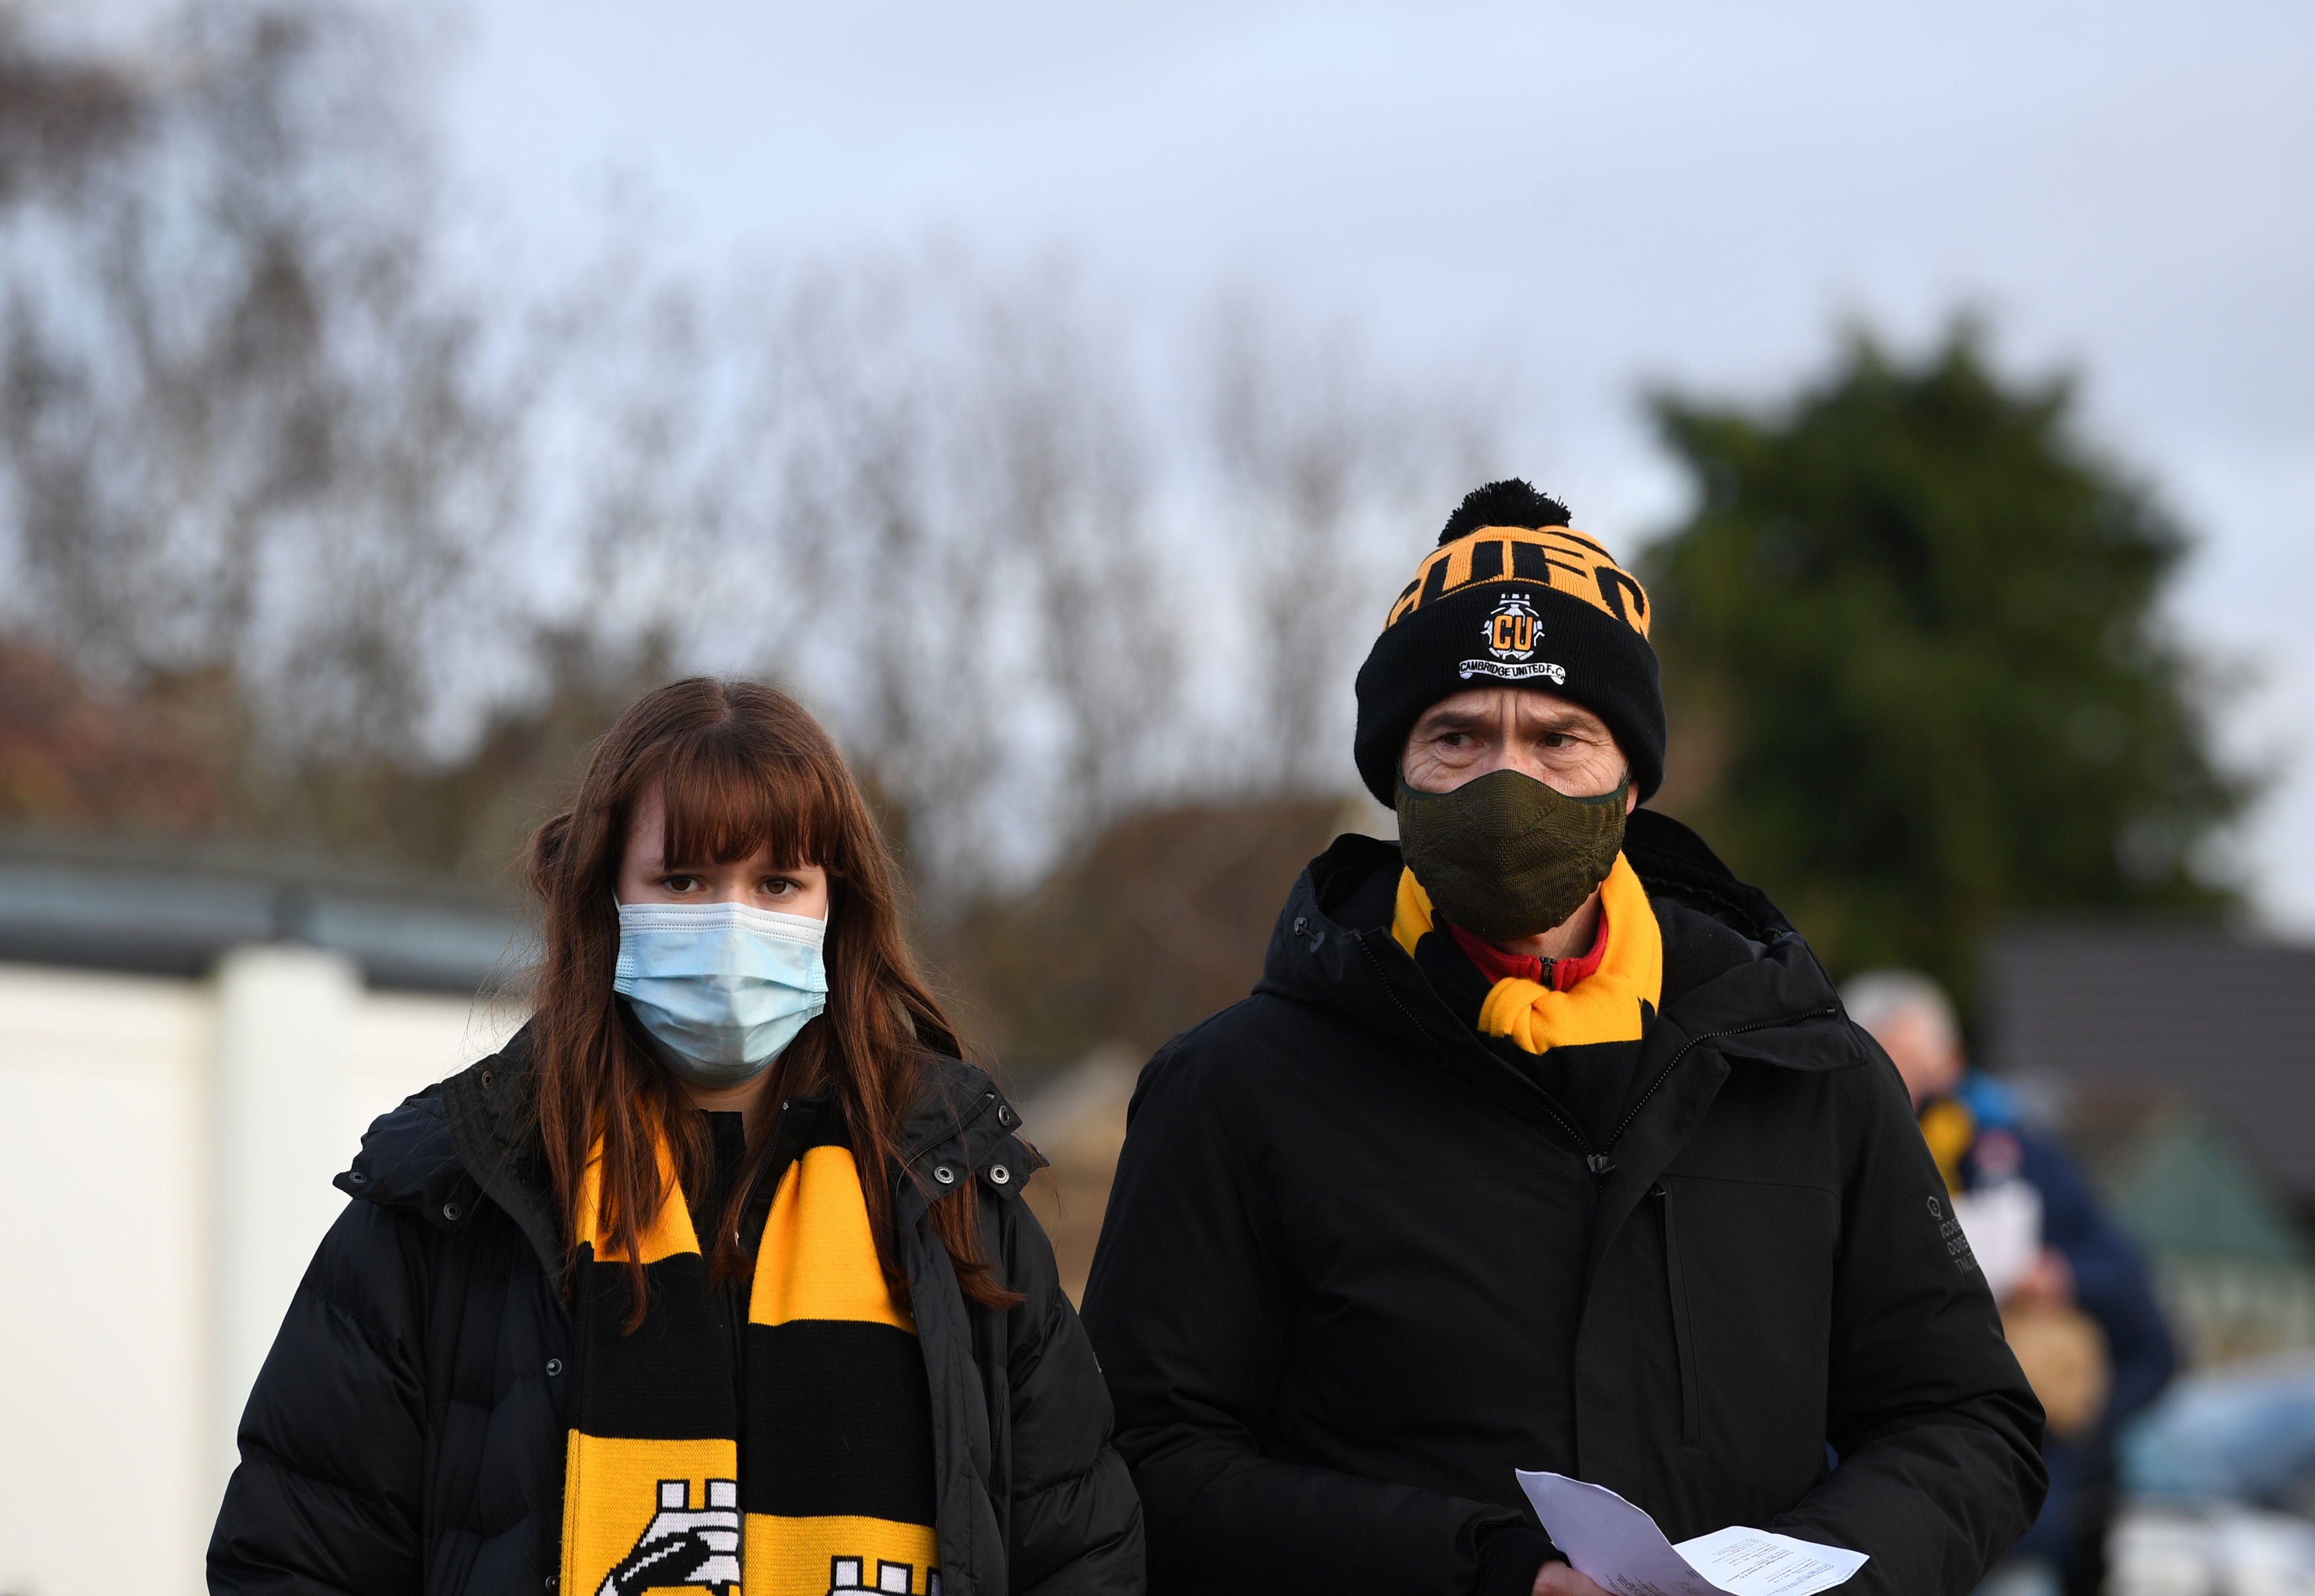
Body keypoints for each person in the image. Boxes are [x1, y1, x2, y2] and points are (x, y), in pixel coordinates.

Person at [1079, 481, 2047, 1596]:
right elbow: (1144, 1462)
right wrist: (1480, 1568)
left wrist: (1816, 1579)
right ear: (1393, 773)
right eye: (1456, 736)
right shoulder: (1233, 1088)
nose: (1508, 781)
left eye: (1558, 736)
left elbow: (1968, 1420)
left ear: (1632, 778)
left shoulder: (1807, 1073)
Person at [208, 678, 1144, 1596]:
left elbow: (1085, 1551)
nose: (733, 923)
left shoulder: (949, 1198)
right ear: (608, 897)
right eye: (684, 879)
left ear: (837, 909)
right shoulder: (458, 1195)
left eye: (778, 882)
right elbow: (293, 1554)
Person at [1846, 970, 2175, 1596]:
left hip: (2048, 1478)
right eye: (1886, 1069)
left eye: (1918, 1066)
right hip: (1899, 1497)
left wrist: (2059, 1277)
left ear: (1954, 1062)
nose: (1909, 1089)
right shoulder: (1841, 1164)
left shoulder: (2018, 1150)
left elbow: (2133, 1287)